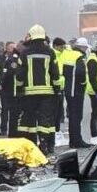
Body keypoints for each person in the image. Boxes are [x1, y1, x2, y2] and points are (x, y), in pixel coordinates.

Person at [16, 25, 62, 154]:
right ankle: (45, 145)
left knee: (29, 120)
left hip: (29, 93)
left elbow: (19, 74)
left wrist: (19, 89)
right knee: (45, 119)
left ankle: (30, 147)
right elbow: (55, 73)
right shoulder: (50, 52)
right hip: (47, 93)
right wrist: (57, 88)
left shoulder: (24, 53)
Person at [61, 37, 90, 148]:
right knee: (77, 116)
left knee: (72, 116)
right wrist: (83, 84)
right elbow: (80, 72)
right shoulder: (79, 56)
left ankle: (73, 140)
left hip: (69, 89)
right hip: (76, 89)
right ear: (82, 47)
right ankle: (77, 140)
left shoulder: (69, 54)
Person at [0, 41, 20, 137]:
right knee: (4, 109)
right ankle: (3, 129)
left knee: (14, 111)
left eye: (15, 47)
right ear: (7, 48)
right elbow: (0, 72)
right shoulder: (0, 59)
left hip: (14, 88)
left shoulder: (16, 59)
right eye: (12, 47)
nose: (14, 49)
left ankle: (13, 131)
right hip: (5, 88)